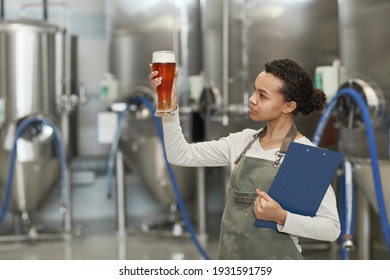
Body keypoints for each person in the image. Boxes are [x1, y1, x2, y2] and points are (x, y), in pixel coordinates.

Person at [149, 58, 341, 260]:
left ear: (288, 106)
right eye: (254, 91)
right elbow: (179, 154)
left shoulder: (304, 155)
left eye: (262, 96)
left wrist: (282, 217)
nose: (252, 99)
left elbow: (331, 228)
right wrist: (168, 106)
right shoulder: (241, 141)